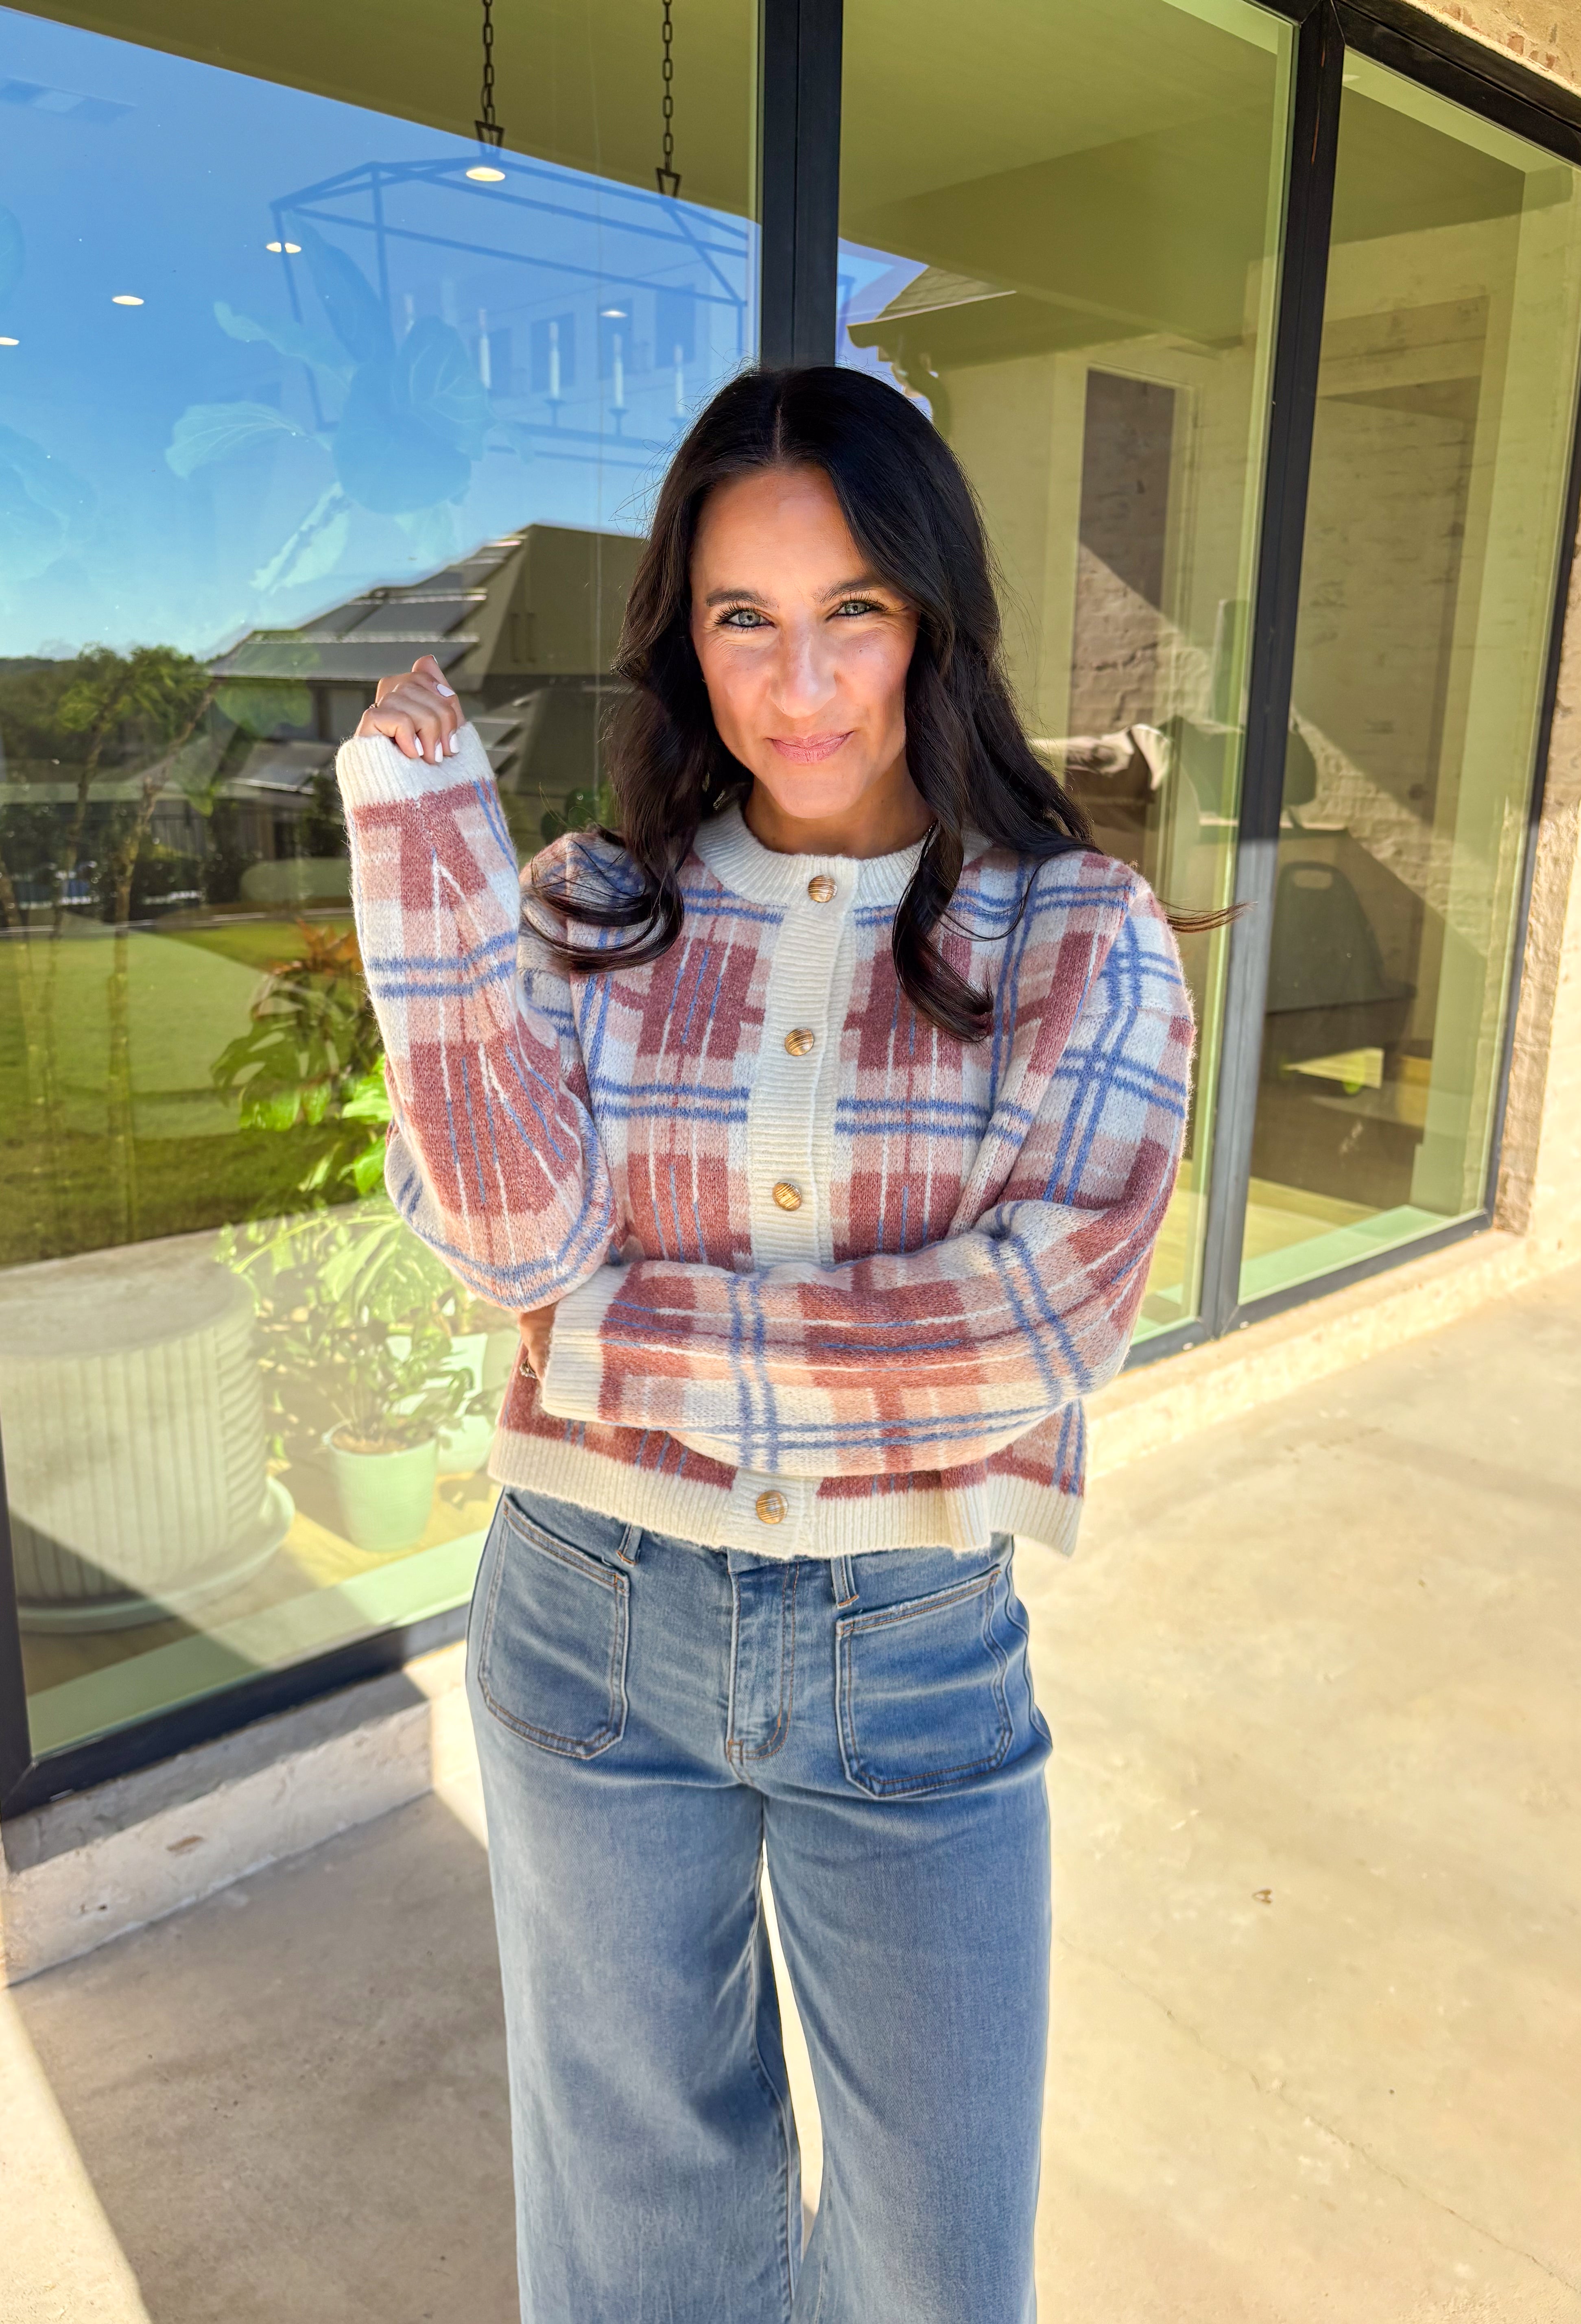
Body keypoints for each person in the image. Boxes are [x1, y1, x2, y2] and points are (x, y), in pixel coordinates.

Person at [336, 363, 1194, 2324]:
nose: (798, 686)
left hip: (913, 1652)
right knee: (638, 2242)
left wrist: (611, 1333)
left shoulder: (1076, 937)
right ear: (684, 637)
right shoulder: (590, 910)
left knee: (934, 2270)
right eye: (743, 619)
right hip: (584, 1618)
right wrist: (422, 849)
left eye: (851, 615)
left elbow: (1032, 1330)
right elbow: (505, 1244)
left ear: (932, 621)